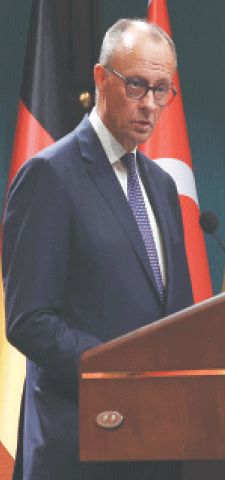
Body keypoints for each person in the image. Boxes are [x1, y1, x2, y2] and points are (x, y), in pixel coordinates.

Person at [3, 19, 193, 480]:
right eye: (137, 86)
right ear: (101, 77)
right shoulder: (49, 176)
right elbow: (29, 321)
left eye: (162, 90)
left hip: (158, 443)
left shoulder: (163, 186)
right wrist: (119, 372)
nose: (150, 104)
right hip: (80, 447)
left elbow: (178, 312)